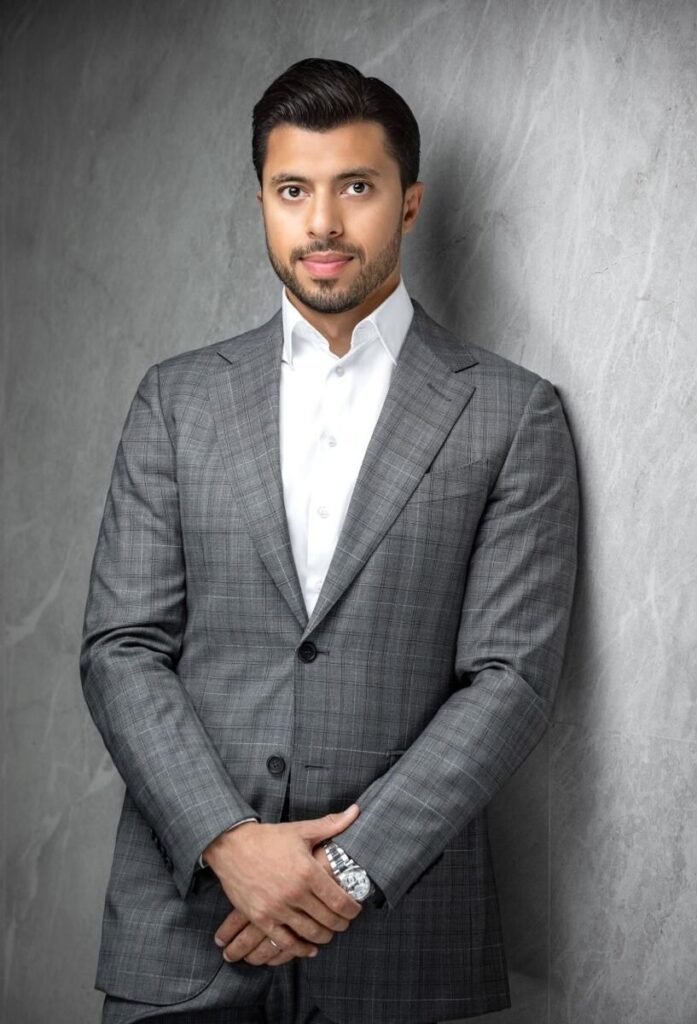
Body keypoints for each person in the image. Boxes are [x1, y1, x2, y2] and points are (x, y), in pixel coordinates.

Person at [80, 57, 579, 1024]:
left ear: (408, 203)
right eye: (292, 190)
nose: (321, 223)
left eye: (355, 187)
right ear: (262, 203)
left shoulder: (512, 414)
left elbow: (510, 679)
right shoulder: (176, 401)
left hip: (401, 941)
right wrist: (228, 841)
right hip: (183, 928)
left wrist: (343, 874)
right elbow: (121, 647)